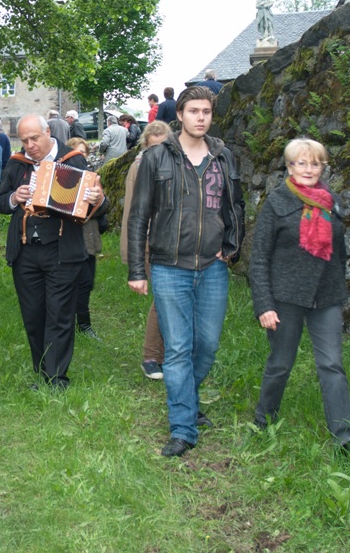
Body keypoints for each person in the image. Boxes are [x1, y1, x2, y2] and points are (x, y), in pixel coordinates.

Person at [126, 86, 245, 457]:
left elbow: (236, 206)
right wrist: (137, 269)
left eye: (206, 111)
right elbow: (138, 216)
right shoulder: (156, 157)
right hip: (168, 267)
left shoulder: (223, 157)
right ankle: (182, 428)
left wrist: (232, 247)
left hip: (213, 266)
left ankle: (187, 401)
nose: (200, 117)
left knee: (206, 346)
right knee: (178, 349)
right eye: (193, 111)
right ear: (179, 114)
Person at [249, 138, 350, 454]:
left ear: (323, 167)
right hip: (285, 297)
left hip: (326, 297)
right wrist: (264, 305)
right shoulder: (276, 203)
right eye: (301, 163)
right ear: (289, 167)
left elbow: (340, 253)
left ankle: (344, 438)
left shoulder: (331, 202)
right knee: (281, 363)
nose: (308, 169)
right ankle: (263, 422)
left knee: (332, 364)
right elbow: (259, 258)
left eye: (315, 163)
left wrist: (337, 287)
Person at [0, 114, 103, 389]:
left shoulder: (73, 160)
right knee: (33, 315)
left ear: (47, 133)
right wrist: (13, 197)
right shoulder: (17, 163)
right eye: (24, 140)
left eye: (34, 138)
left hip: (62, 250)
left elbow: (98, 206)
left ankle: (56, 378)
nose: (29, 145)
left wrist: (97, 199)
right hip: (25, 251)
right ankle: (42, 372)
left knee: (59, 315)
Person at [120, 120, 171, 381]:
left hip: (176, 242)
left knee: (175, 299)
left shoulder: (179, 165)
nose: (158, 153)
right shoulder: (138, 167)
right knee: (162, 299)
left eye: (163, 147)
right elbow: (131, 211)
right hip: (150, 242)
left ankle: (171, 353)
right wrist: (132, 254)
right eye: (153, 148)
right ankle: (151, 357)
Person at [66, 137, 104, 340]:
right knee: (71, 283)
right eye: (77, 152)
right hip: (68, 239)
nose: (81, 157)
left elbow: (104, 208)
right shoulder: (62, 178)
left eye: (84, 153)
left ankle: (83, 325)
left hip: (88, 238)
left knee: (87, 282)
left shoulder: (93, 178)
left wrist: (97, 200)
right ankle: (71, 324)